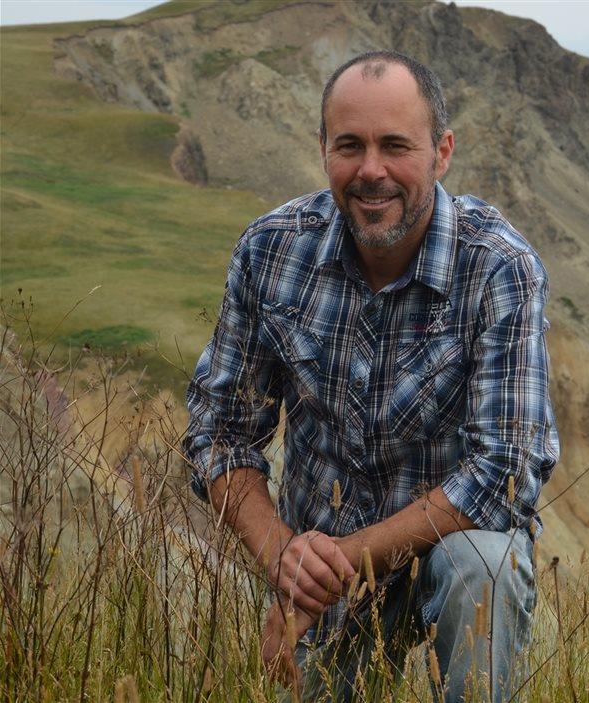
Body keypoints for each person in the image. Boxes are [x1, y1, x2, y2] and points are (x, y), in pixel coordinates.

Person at [182, 50, 559, 702]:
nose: (371, 170)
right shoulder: (271, 252)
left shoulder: (499, 267)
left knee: (485, 571)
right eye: (350, 145)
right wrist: (286, 561)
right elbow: (217, 432)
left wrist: (348, 555)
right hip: (319, 566)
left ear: (442, 153)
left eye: (395, 146)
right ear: (323, 148)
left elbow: (506, 469)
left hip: (446, 550)